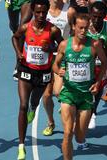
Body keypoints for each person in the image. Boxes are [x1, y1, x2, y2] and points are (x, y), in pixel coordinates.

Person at [12, 0, 63, 159]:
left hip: (43, 73)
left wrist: (52, 48)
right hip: (26, 70)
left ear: (47, 12)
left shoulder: (53, 30)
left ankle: (33, 108)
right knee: (22, 105)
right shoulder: (26, 28)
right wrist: (19, 53)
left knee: (34, 102)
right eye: (37, 12)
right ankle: (21, 146)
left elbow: (63, 46)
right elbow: (15, 37)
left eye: (43, 12)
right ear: (33, 11)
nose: (41, 15)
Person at [53, 13, 107, 160]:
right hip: (69, 93)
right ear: (73, 27)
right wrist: (59, 71)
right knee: (67, 133)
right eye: (80, 28)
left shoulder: (95, 44)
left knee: (79, 137)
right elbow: (55, 64)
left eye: (85, 28)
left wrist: (98, 82)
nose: (83, 31)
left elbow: (105, 63)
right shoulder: (65, 45)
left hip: (85, 94)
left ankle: (77, 119)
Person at [86, 1, 107, 129]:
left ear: (105, 16)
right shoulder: (84, 26)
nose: (96, 19)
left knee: (97, 88)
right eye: (94, 16)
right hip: (84, 62)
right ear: (90, 15)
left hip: (101, 63)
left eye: (100, 17)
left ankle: (93, 112)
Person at [42, 0, 69, 136]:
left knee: (58, 92)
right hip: (45, 58)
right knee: (46, 96)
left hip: (62, 57)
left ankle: (67, 106)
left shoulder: (68, 10)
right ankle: (50, 122)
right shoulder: (43, 10)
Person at [5, 0, 33, 81]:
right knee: (14, 27)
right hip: (12, 2)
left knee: (22, 27)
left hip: (26, 1)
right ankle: (16, 35)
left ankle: (19, 64)